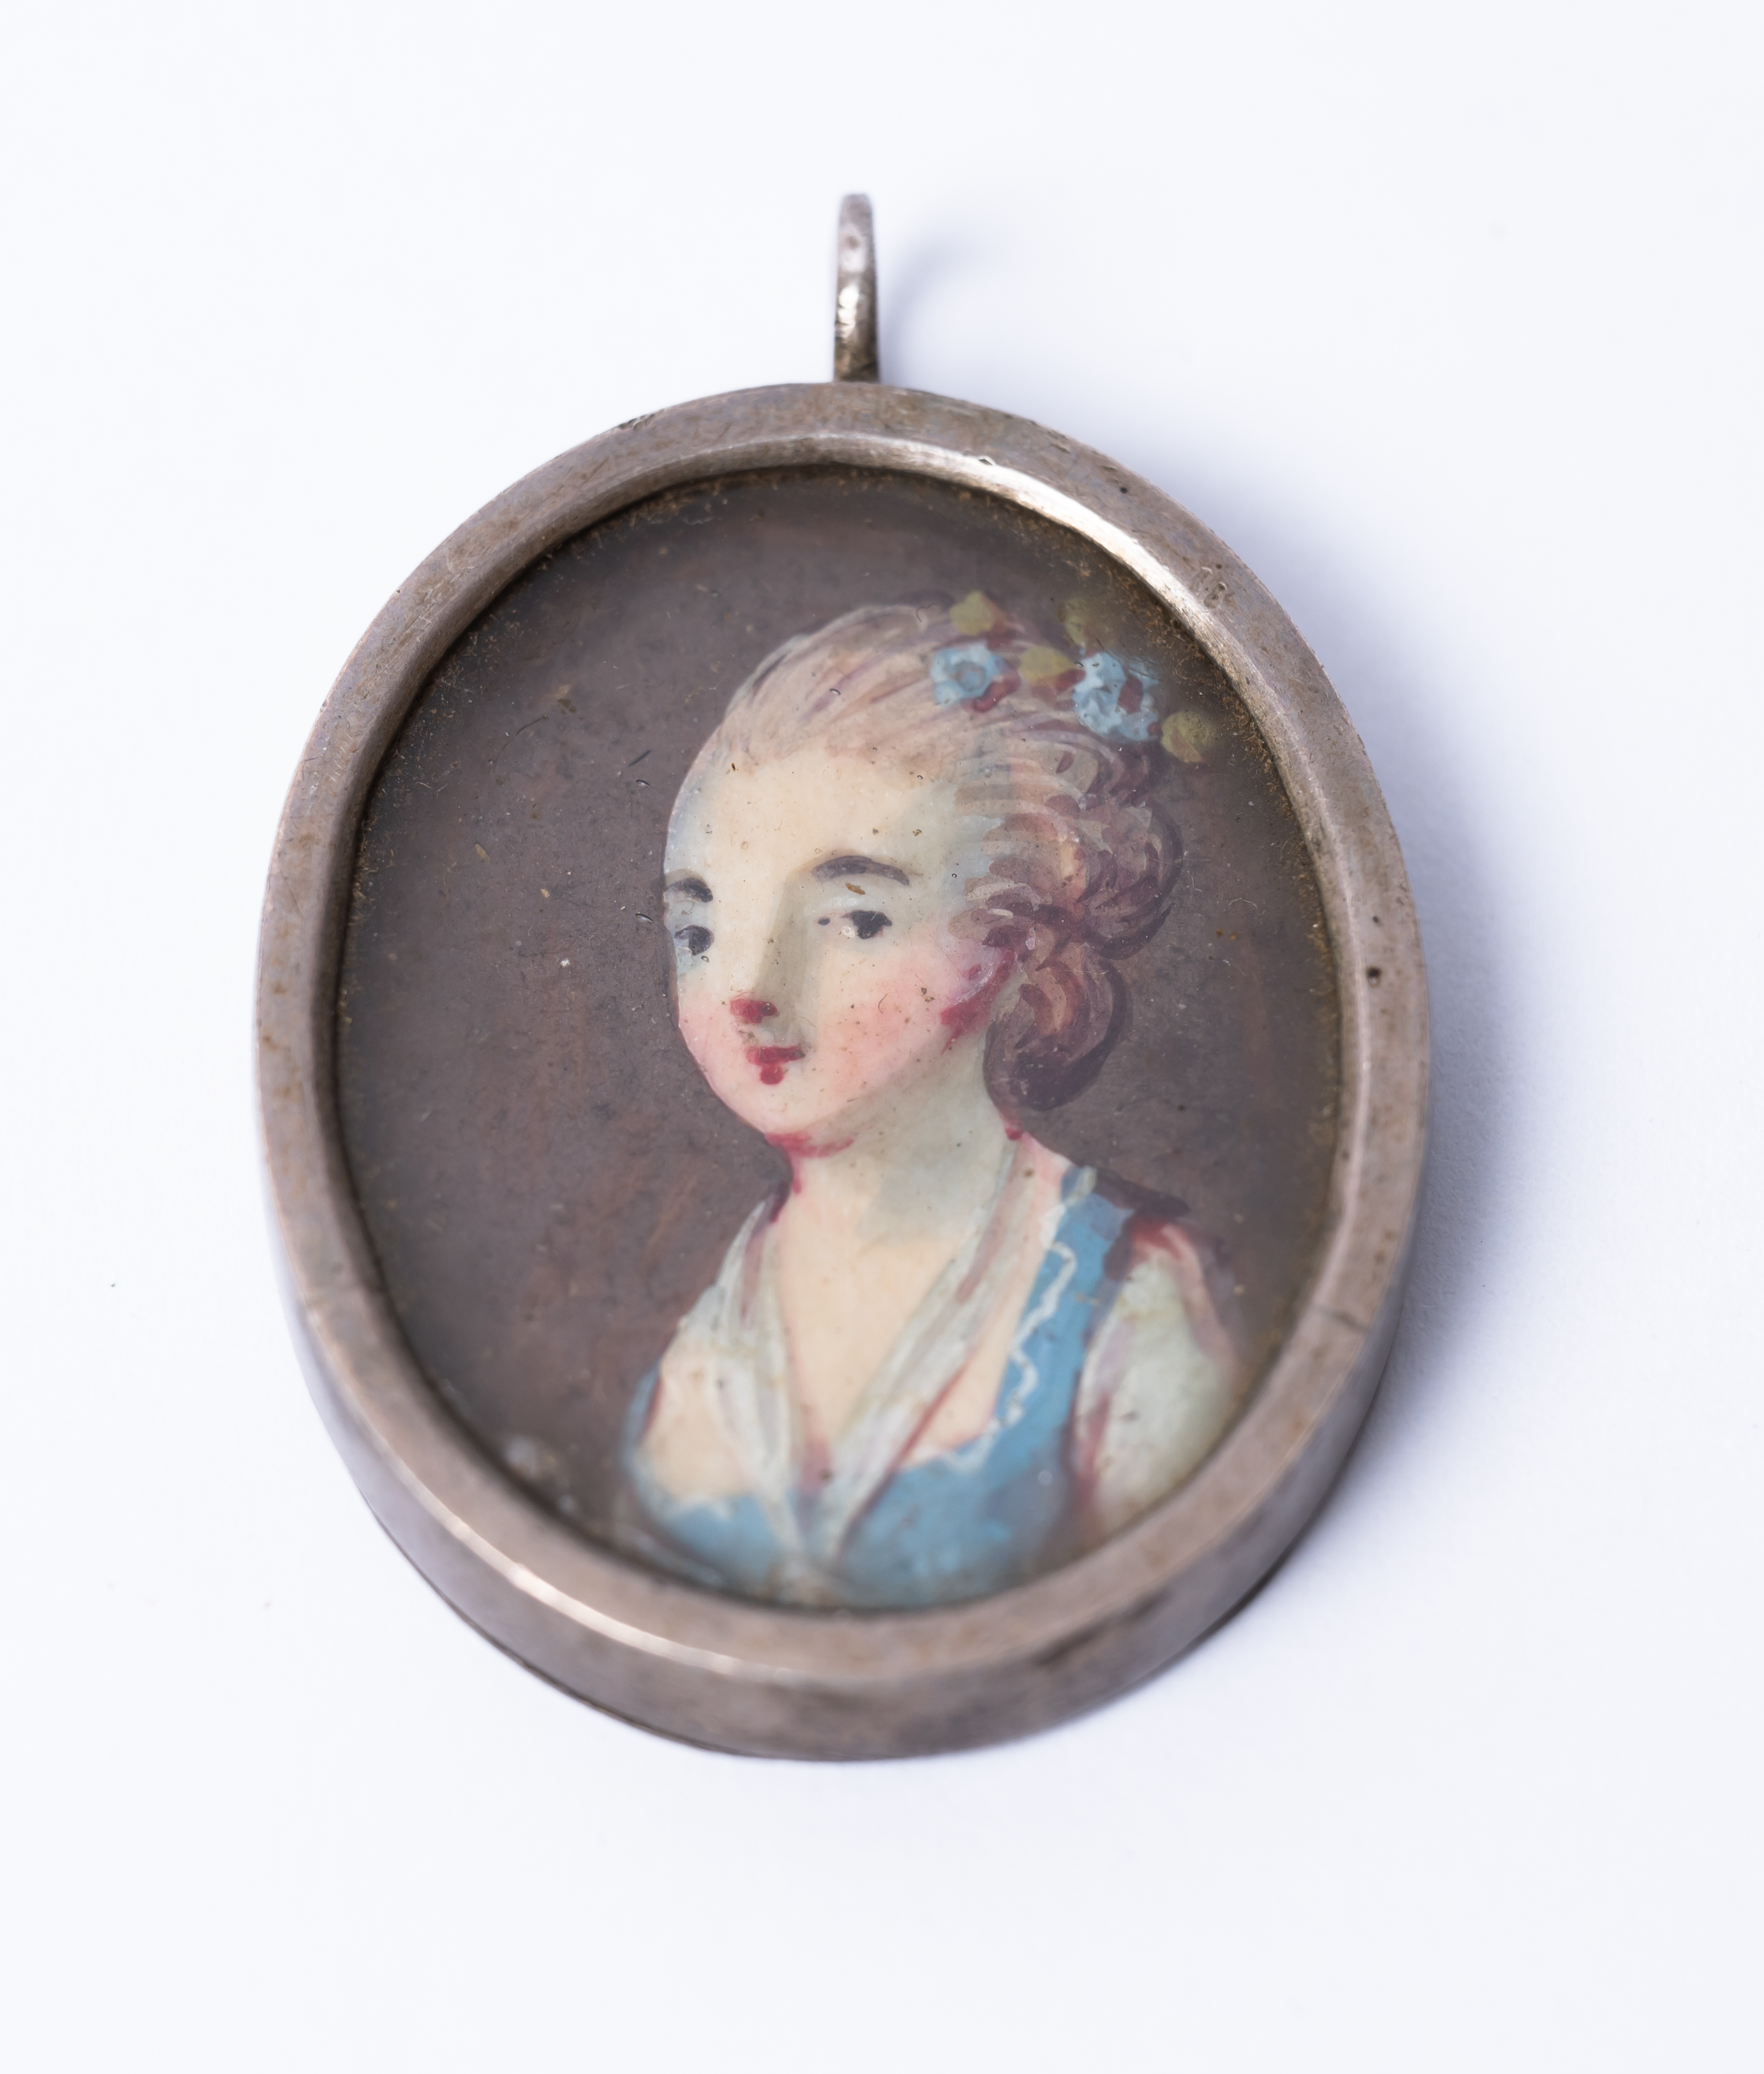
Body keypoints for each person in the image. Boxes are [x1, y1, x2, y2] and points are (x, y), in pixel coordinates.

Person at [617, 594, 1239, 1608]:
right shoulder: (714, 1318)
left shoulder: (1129, 1298)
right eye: (700, 933)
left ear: (1014, 940)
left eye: (854, 919)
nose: (747, 986)